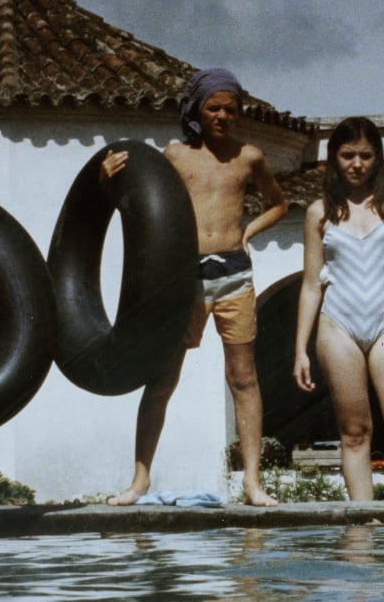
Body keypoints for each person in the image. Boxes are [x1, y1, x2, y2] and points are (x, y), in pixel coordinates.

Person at [101, 68, 286, 507]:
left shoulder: (249, 157)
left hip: (235, 275)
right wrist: (105, 178)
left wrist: (249, 232)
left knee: (244, 377)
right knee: (164, 377)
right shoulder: (176, 155)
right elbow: (139, 196)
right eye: (214, 108)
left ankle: (253, 483)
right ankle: (140, 479)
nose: (222, 116)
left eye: (230, 109)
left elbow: (278, 204)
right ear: (197, 110)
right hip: (186, 277)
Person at [293, 116, 384, 501]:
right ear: (334, 158)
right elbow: (309, 286)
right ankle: (362, 535)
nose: (356, 164)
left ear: (378, 158)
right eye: (347, 155)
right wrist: (299, 349)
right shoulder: (318, 213)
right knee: (354, 432)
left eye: (366, 155)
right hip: (338, 326)